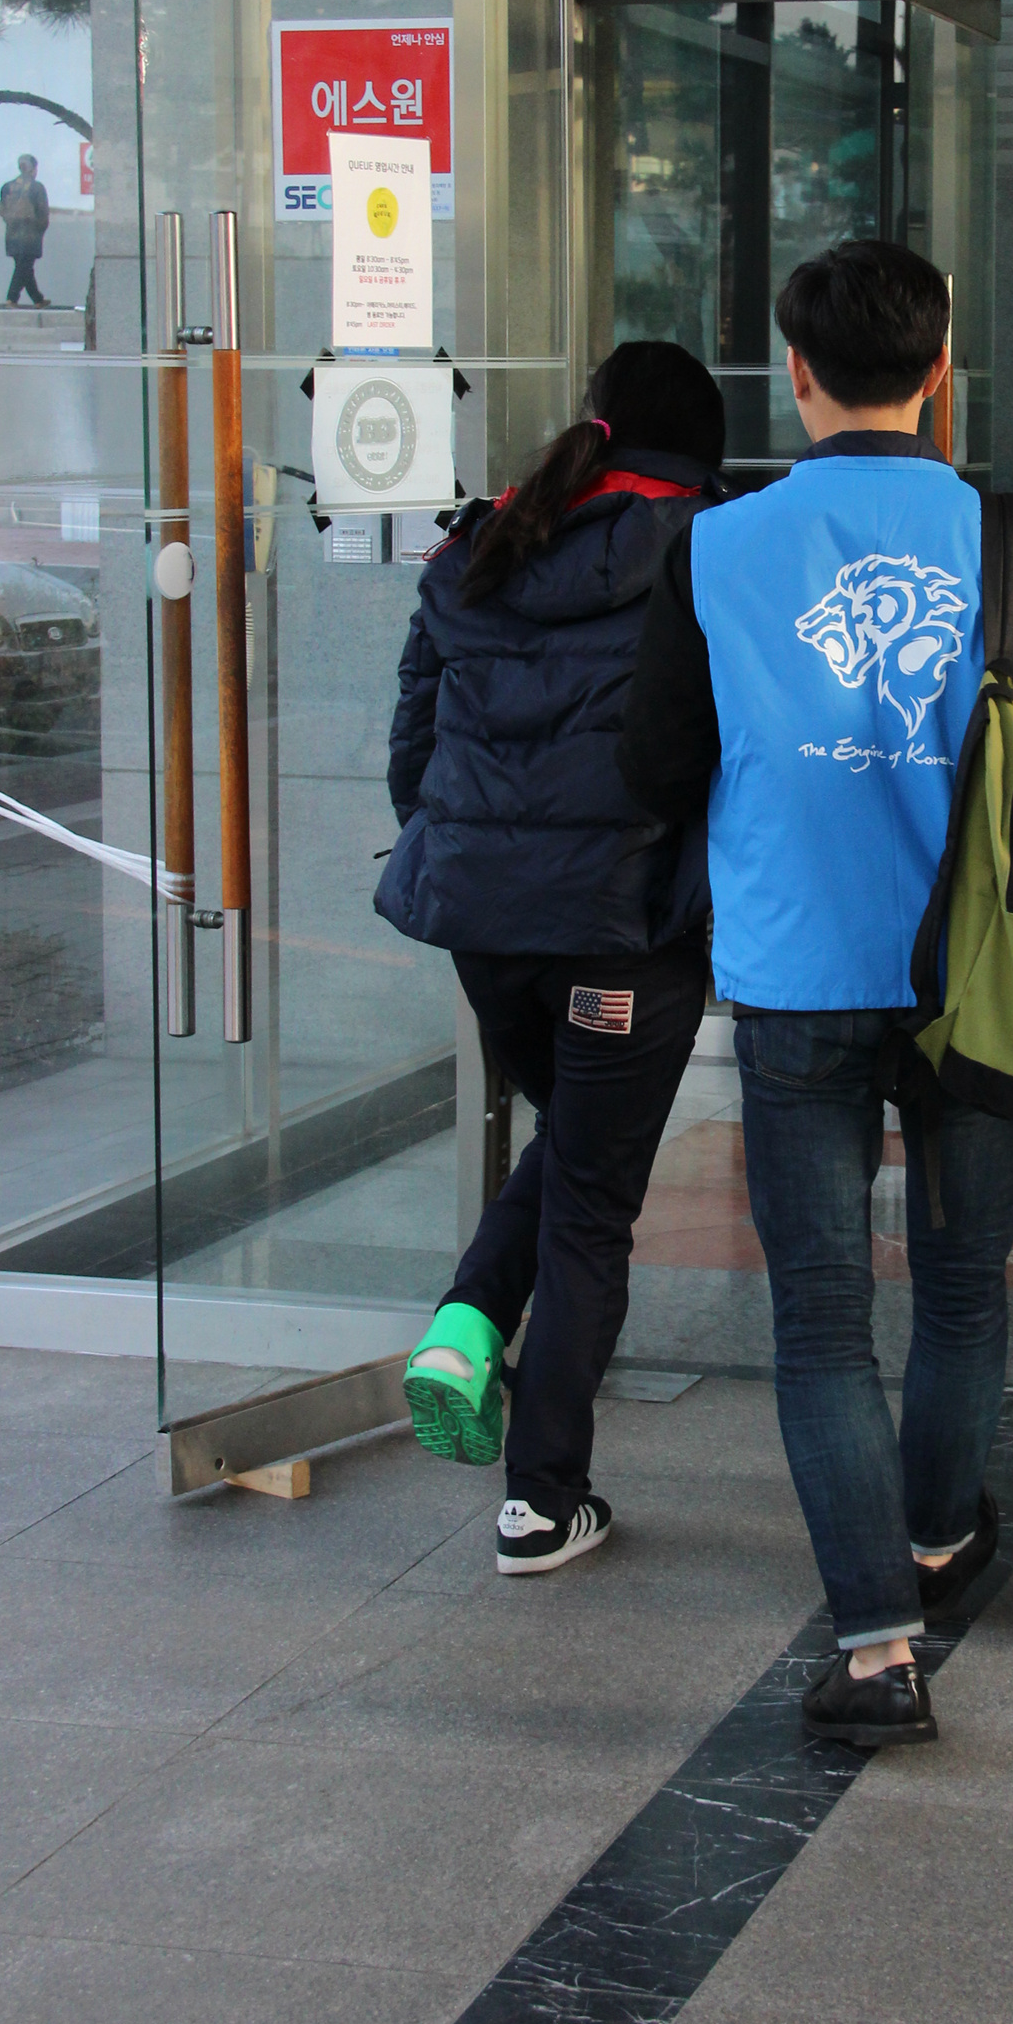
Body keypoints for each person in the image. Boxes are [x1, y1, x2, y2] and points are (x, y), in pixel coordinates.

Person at [617, 239, 1013, 1748]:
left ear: (799, 375)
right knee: (962, 1286)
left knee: (824, 1322)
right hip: (981, 982)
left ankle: (877, 1648)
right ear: (940, 372)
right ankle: (944, 1538)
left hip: (795, 979)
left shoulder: (714, 546)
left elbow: (651, 765)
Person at [377, 341, 727, 1574]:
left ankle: (465, 1324)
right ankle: (540, 1499)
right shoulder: (707, 546)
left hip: (486, 924)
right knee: (588, 1197)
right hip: (625, 926)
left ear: (596, 422)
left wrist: (487, 854)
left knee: (574, 1144)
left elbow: (411, 755)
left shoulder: (489, 541)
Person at [0, 153, 49, 306]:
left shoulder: (7, 187)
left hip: (12, 235)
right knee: (23, 267)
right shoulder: (37, 188)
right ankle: (11, 298)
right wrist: (40, 231)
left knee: (24, 267)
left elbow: (2, 211)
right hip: (30, 236)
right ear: (33, 168)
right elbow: (43, 214)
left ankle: (38, 299)